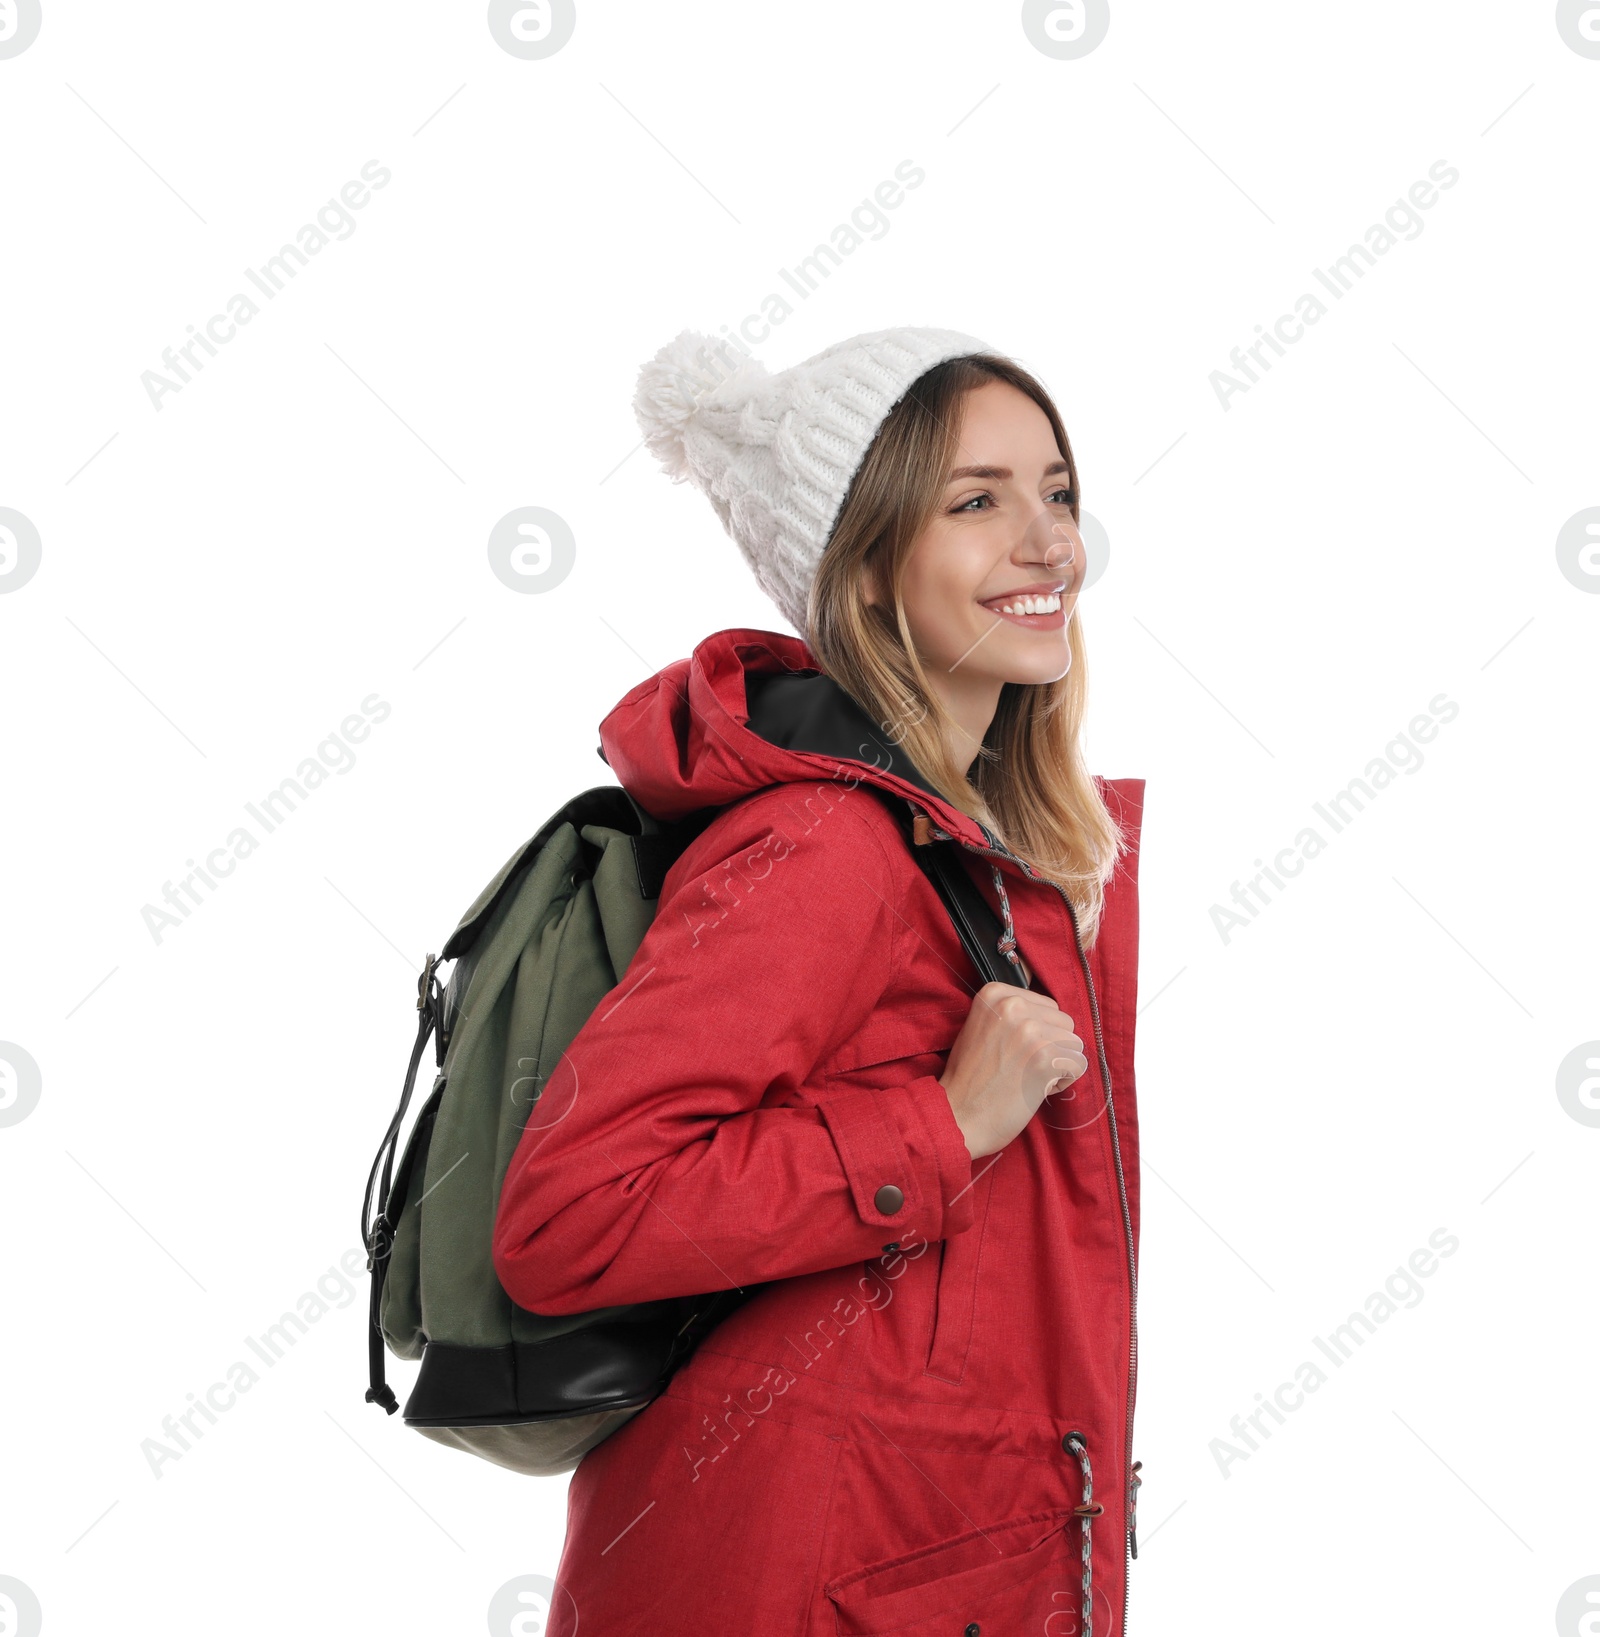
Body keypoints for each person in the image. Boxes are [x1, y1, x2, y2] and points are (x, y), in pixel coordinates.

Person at [492, 325, 1146, 1637]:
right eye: (977, 501)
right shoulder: (826, 846)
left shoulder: (985, 859)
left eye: (1057, 491)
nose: (1051, 544)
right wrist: (941, 1127)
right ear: (863, 571)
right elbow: (568, 1216)